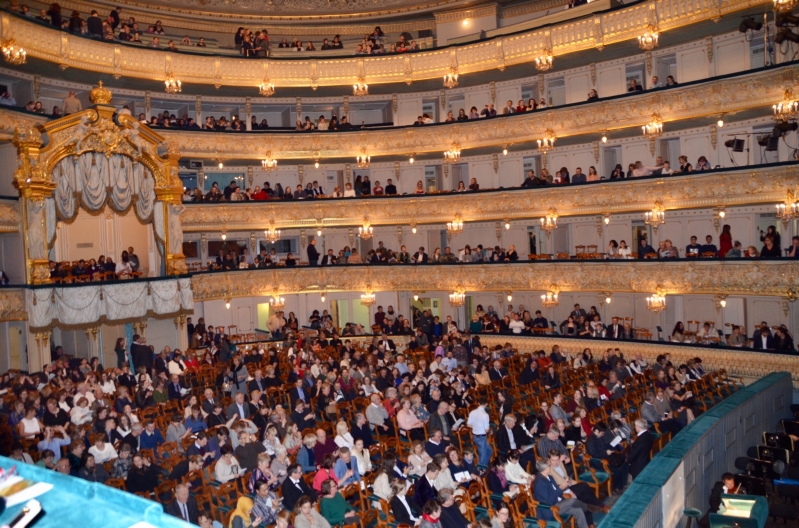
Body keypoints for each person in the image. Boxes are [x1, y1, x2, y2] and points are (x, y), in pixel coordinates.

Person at [534, 459, 591, 528]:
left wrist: (564, 486)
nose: (550, 467)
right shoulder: (540, 483)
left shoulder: (549, 476)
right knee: (572, 500)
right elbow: (549, 501)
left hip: (559, 502)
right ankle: (587, 507)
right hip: (551, 509)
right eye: (549, 466)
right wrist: (560, 488)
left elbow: (555, 489)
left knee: (578, 510)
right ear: (545, 469)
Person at [467, 397, 492, 466]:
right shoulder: (485, 415)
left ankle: (485, 466)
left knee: (489, 451)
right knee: (482, 456)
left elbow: (468, 424)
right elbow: (486, 430)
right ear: (486, 404)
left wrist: (476, 427)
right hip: (481, 437)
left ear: (478, 403)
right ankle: (481, 469)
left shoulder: (472, 412)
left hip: (475, 436)